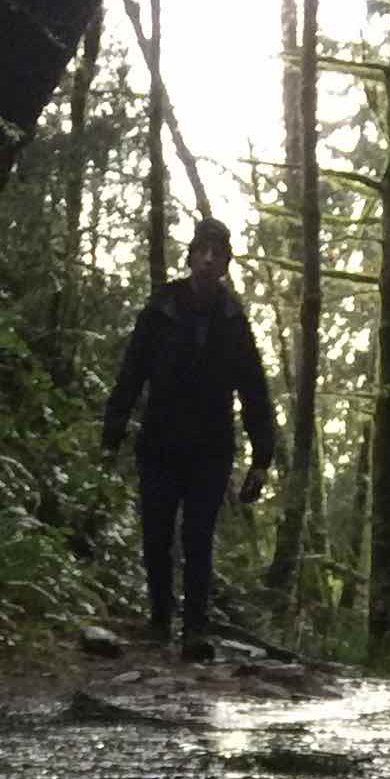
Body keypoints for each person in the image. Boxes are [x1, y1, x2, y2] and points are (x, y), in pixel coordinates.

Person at [102, 220, 279, 663]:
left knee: (199, 537)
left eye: (217, 253)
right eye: (202, 250)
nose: (208, 259)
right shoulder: (161, 309)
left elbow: (254, 388)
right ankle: (160, 620)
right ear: (191, 256)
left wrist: (262, 459)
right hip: (160, 442)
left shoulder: (232, 319)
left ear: (225, 264)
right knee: (156, 534)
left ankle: (195, 628)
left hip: (210, 448)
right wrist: (113, 431)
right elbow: (132, 372)